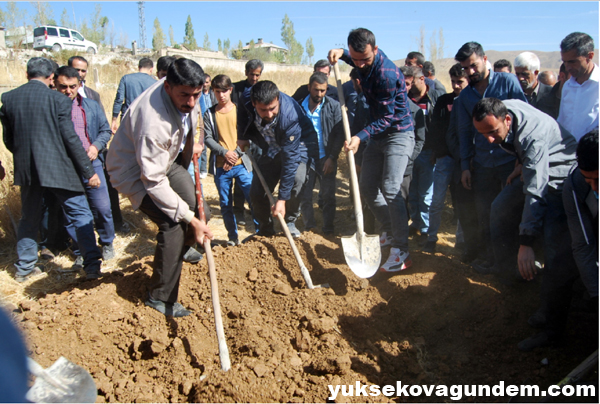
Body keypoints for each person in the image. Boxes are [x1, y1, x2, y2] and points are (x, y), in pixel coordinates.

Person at [106, 58, 213, 317]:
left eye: (196, 95)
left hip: (164, 161)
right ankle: (160, 297)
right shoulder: (152, 121)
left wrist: (195, 219)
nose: (190, 102)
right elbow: (152, 180)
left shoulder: (190, 97)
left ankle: (184, 247)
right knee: (173, 224)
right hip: (134, 172)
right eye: (184, 95)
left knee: (202, 212)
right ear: (167, 87)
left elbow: (190, 128)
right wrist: (188, 220)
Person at [471, 98, 579, 351]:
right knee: (499, 207)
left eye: (493, 132)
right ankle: (510, 273)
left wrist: (526, 242)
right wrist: (521, 164)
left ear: (506, 119)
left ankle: (550, 323)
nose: (489, 140)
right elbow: (526, 156)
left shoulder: (533, 138)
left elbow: (536, 192)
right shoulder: (504, 107)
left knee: (554, 249)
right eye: (482, 133)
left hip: (558, 177)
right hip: (534, 166)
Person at [0, 57, 103, 282]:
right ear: (50, 78)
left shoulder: (8, 98)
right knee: (81, 214)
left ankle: (24, 268)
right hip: (60, 169)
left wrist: (27, 157)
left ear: (27, 75)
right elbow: (71, 139)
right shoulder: (58, 100)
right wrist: (89, 171)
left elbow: (9, 140)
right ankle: (92, 266)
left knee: (29, 217)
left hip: (27, 170)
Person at [329, 28, 415, 272]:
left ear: (375, 51)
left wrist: (360, 136)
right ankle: (389, 227)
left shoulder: (386, 74)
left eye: (364, 59)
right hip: (378, 135)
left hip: (398, 133)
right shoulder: (361, 58)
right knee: (366, 185)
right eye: (355, 59)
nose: (360, 64)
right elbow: (354, 56)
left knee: (390, 187)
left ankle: (401, 250)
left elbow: (388, 117)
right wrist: (341, 54)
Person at [453, 41, 527, 272]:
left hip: (509, 162)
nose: (470, 72)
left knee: (510, 212)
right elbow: (464, 133)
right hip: (483, 165)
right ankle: (491, 258)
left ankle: (514, 262)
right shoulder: (465, 97)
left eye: (473, 65)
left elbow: (523, 120)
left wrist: (522, 160)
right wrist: (466, 166)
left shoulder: (508, 82)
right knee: (484, 213)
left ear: (485, 59)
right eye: (465, 68)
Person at [237, 80, 318, 238]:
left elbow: (290, 160)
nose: (268, 114)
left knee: (297, 180)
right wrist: (242, 136)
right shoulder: (247, 96)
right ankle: (265, 229)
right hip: (272, 144)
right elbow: (241, 111)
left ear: (278, 100)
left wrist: (281, 199)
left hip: (300, 143)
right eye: (263, 110)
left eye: (272, 108)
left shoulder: (289, 117)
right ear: (253, 103)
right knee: (256, 191)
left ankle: (289, 221)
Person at [54, 66, 116, 263]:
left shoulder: (90, 106)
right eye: (63, 87)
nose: (68, 91)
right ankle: (82, 248)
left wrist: (96, 147)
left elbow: (105, 130)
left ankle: (107, 242)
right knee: (72, 212)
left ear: (79, 85)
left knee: (103, 207)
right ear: (55, 85)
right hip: (66, 167)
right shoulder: (51, 109)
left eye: (72, 86)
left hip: (93, 163)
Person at [425, 63, 474, 255]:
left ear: (467, 80)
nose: (456, 86)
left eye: (459, 82)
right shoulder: (444, 100)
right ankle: (431, 238)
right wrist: (436, 152)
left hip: (465, 160)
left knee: (462, 201)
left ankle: (461, 241)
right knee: (436, 200)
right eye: (453, 82)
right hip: (445, 158)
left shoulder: (471, 101)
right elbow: (435, 128)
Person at [204, 74, 257, 246]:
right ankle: (232, 237)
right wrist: (224, 153)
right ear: (213, 92)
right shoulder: (210, 114)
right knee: (225, 204)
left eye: (224, 91)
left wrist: (234, 154)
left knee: (253, 199)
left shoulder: (240, 111)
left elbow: (248, 137)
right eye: (217, 91)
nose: (221, 95)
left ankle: (259, 234)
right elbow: (208, 138)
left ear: (230, 90)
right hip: (221, 167)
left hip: (242, 165)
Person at [298, 72, 344, 235]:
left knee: (328, 196)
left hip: (326, 158)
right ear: (309, 87)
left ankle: (328, 228)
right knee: (305, 195)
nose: (319, 94)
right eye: (316, 90)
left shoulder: (334, 106)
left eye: (323, 91)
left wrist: (332, 157)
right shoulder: (298, 107)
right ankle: (309, 226)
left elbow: (340, 134)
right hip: (304, 158)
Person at [563, 129, 598, 305]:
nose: (595, 188)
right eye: (588, 180)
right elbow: (583, 243)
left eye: (598, 180)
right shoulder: (575, 184)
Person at [406, 66, 439, 245]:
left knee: (426, 194)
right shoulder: (407, 99)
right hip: (410, 152)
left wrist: (436, 150)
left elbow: (438, 126)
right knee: (413, 192)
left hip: (427, 152)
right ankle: (416, 222)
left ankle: (426, 229)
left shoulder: (434, 98)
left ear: (422, 80)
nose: (409, 86)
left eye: (412, 82)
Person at [231, 59, 264, 226]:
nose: (255, 78)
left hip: (258, 139)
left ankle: (256, 209)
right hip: (240, 137)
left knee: (257, 175)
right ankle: (238, 211)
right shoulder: (235, 89)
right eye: (252, 74)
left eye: (258, 75)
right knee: (240, 172)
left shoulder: (262, 89)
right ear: (246, 72)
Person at [557, 32, 599, 141]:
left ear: (589, 56)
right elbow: (562, 122)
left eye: (572, 62)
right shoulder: (567, 86)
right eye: (565, 62)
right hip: (568, 152)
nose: (567, 67)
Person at [111, 57, 156, 133]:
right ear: (151, 69)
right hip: (146, 120)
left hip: (128, 119)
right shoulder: (155, 83)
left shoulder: (126, 78)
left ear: (139, 67)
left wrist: (114, 119)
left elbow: (119, 99)